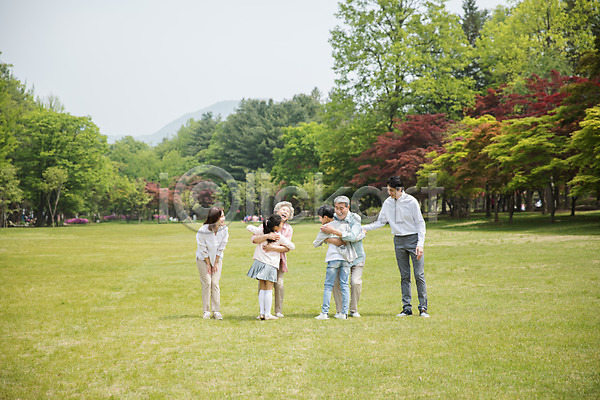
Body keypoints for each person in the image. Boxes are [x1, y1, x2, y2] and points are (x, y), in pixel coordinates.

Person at [362, 176, 429, 318]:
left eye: (392, 190)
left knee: (419, 275)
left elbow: (420, 223)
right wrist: (363, 228)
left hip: (413, 239)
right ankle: (407, 308)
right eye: (388, 190)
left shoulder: (411, 202)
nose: (390, 193)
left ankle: (423, 308)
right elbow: (380, 222)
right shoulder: (388, 203)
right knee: (404, 276)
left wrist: (420, 244)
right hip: (398, 241)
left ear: (400, 189)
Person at [320, 196, 366, 318]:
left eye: (341, 208)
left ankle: (353, 309)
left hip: (356, 256)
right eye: (336, 208)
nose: (338, 211)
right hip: (340, 257)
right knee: (336, 283)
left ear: (348, 207)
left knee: (355, 282)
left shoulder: (355, 218)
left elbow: (352, 236)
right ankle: (340, 311)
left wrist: (336, 233)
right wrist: (336, 241)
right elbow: (322, 235)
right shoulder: (333, 218)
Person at [246, 202, 294, 318]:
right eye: (283, 210)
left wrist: (272, 246)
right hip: (271, 263)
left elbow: (249, 227)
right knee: (267, 288)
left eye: (287, 211)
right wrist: (267, 236)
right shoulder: (277, 234)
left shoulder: (267, 228)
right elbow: (291, 246)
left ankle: (266, 312)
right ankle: (266, 313)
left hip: (264, 261)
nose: (285, 212)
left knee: (270, 286)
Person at [313, 205, 357, 320]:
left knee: (328, 286)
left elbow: (316, 243)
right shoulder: (345, 225)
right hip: (346, 259)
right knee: (344, 286)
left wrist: (326, 239)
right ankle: (344, 313)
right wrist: (337, 241)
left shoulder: (326, 227)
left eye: (320, 218)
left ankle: (324, 313)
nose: (320, 220)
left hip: (333, 258)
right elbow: (347, 240)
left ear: (326, 217)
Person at [195, 207, 229, 320]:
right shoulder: (203, 230)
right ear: (215, 218)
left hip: (217, 260)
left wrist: (215, 262)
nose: (224, 218)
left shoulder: (224, 229)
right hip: (203, 260)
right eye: (221, 216)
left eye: (223, 216)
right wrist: (209, 264)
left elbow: (221, 247)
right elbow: (202, 248)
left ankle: (216, 311)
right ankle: (206, 311)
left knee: (215, 283)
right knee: (207, 283)